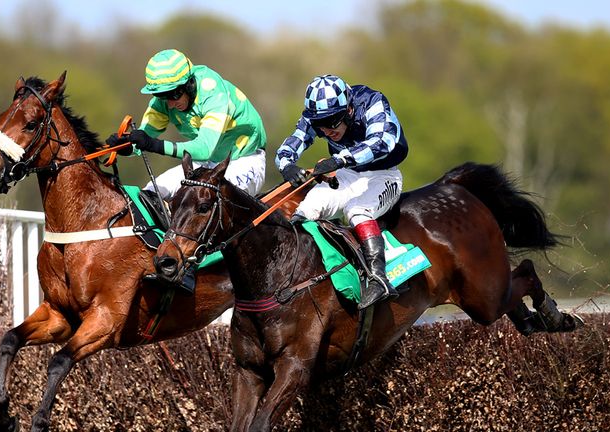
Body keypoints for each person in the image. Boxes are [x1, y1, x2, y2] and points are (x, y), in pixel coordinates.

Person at [107, 48, 268, 293]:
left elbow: (203, 148)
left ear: (191, 83)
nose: (170, 102)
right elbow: (146, 137)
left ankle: (195, 272)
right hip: (208, 166)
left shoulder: (213, 91)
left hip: (245, 160)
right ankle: (161, 259)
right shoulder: (162, 100)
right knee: (150, 193)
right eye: (162, 96)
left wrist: (152, 145)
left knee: (204, 199)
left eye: (174, 93)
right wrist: (128, 146)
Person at [276, 74, 408, 310]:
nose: (327, 130)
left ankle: (379, 279)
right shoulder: (318, 117)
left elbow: (383, 141)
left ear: (348, 109)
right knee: (307, 208)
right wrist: (286, 165)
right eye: (320, 125)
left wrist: (340, 159)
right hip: (348, 175)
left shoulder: (372, 101)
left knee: (356, 210)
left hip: (385, 175)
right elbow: (293, 141)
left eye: (334, 121)